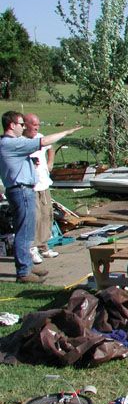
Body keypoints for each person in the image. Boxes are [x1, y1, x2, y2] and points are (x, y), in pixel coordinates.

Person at [0, 111, 82, 283]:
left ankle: (27, 265)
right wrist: (66, 133)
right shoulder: (11, 143)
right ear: (11, 125)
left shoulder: (11, 143)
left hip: (23, 189)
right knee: (23, 231)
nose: (23, 127)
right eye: (21, 124)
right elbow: (43, 142)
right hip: (21, 190)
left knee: (28, 230)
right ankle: (23, 272)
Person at [23, 113, 58, 263]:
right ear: (25, 125)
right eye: (33, 125)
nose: (36, 127)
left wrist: (50, 163)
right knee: (34, 218)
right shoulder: (20, 142)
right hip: (30, 185)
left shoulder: (41, 138)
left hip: (44, 182)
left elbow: (51, 147)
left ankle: (44, 245)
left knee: (46, 215)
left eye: (38, 124)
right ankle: (32, 248)